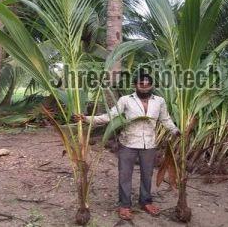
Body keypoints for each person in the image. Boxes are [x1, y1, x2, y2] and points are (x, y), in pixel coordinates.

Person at [74, 73, 180, 220]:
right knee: (125, 175)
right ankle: (124, 205)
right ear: (135, 85)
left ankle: (145, 201)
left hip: (149, 144)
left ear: (152, 86)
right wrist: (87, 119)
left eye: (147, 85)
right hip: (128, 143)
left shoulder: (159, 101)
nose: (144, 88)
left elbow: (165, 119)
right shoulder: (126, 100)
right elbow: (110, 115)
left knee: (147, 175)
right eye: (141, 85)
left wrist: (175, 130)